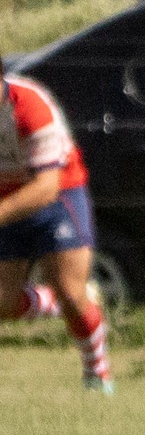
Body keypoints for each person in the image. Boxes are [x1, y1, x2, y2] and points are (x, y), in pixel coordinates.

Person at [0, 61, 113, 393]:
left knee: (71, 291)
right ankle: (49, 302)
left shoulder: (30, 106)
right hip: (7, 196)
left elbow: (45, 187)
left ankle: (97, 374)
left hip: (58, 194)